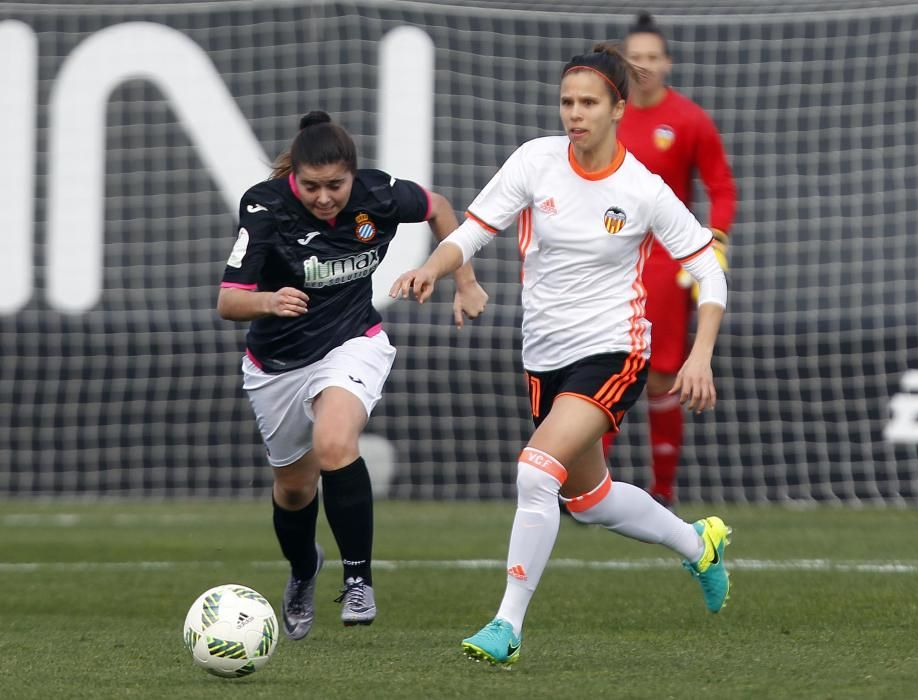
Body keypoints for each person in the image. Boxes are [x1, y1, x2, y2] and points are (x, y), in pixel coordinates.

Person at [390, 46, 731, 666]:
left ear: (617, 109)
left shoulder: (642, 190)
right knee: (588, 498)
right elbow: (470, 232)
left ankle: (506, 625)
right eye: (568, 101)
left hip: (615, 350)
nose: (575, 114)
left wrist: (700, 354)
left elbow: (709, 270)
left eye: (589, 103)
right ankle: (699, 544)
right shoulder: (536, 161)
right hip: (545, 356)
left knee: (535, 471)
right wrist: (434, 269)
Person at [217, 110, 487, 639]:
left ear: (352, 175)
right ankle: (303, 569)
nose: (323, 198)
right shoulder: (264, 207)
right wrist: (269, 301)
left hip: (352, 343)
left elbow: (440, 209)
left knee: (336, 442)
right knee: (293, 490)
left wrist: (465, 280)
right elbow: (228, 302)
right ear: (294, 175)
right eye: (311, 186)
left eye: (335, 186)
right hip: (276, 366)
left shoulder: (379, 195)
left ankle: (358, 579)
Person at [606, 13, 738, 508]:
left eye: (651, 57)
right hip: (610, 259)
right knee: (604, 367)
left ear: (667, 63)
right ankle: (586, 486)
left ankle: (662, 489)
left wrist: (714, 241)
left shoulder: (688, 119)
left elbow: (721, 186)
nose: (642, 66)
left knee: (661, 374)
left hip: (664, 265)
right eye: (633, 57)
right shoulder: (607, 116)